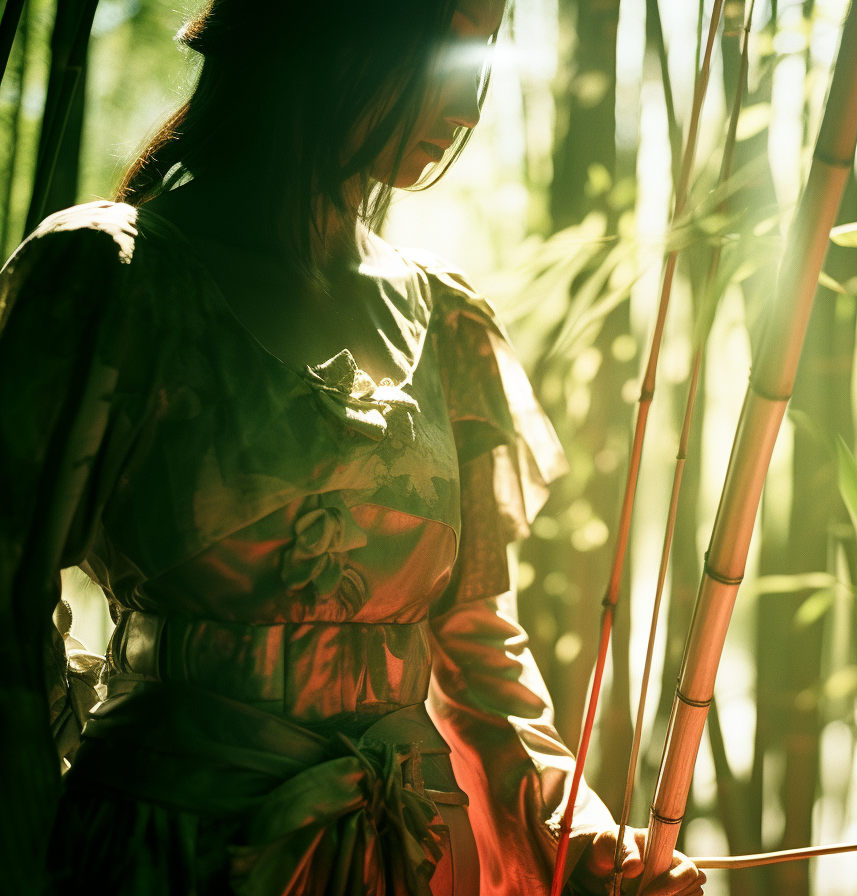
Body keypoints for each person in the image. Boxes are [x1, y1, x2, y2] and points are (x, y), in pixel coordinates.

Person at [0, 1, 705, 894]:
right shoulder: (110, 277)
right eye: (445, 50)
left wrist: (585, 847)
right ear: (334, 31)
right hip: (164, 850)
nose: (466, 104)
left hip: (402, 855)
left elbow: (476, 649)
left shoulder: (446, 323)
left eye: (482, 55)